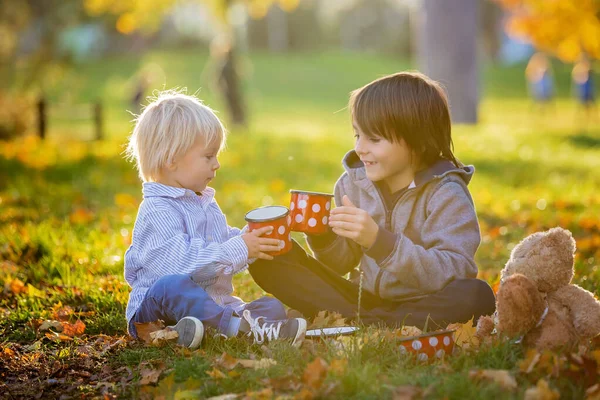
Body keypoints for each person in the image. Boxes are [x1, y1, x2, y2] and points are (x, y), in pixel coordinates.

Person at [249, 72, 496, 330]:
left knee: (476, 295)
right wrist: (323, 236)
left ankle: (365, 324)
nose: (360, 148)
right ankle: (371, 322)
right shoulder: (351, 184)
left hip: (424, 302)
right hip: (360, 299)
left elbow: (454, 271)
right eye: (357, 135)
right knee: (267, 256)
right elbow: (340, 264)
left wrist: (380, 242)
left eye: (374, 139)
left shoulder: (446, 193)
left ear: (419, 142)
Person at [123, 90, 306, 349]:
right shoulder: (157, 210)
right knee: (172, 286)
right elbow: (179, 264)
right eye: (208, 156)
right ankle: (237, 328)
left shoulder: (203, 202)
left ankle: (205, 329)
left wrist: (252, 239)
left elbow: (221, 243)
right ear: (172, 159)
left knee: (270, 304)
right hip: (155, 310)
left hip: (213, 304)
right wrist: (239, 248)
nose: (217, 164)